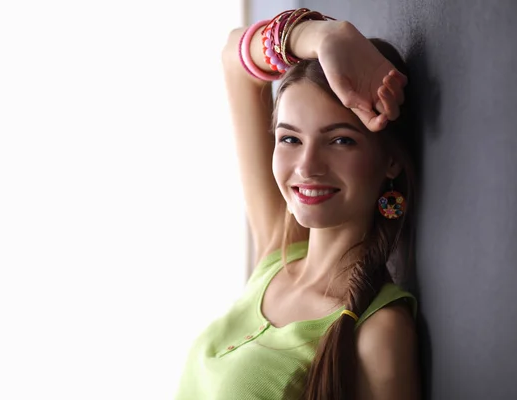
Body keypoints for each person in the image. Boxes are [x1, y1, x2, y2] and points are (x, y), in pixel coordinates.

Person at [176, 8, 420, 400]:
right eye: (290, 139)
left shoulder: (379, 331)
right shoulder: (277, 254)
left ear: (390, 160)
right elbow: (234, 61)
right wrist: (324, 37)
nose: (306, 167)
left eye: (341, 140)